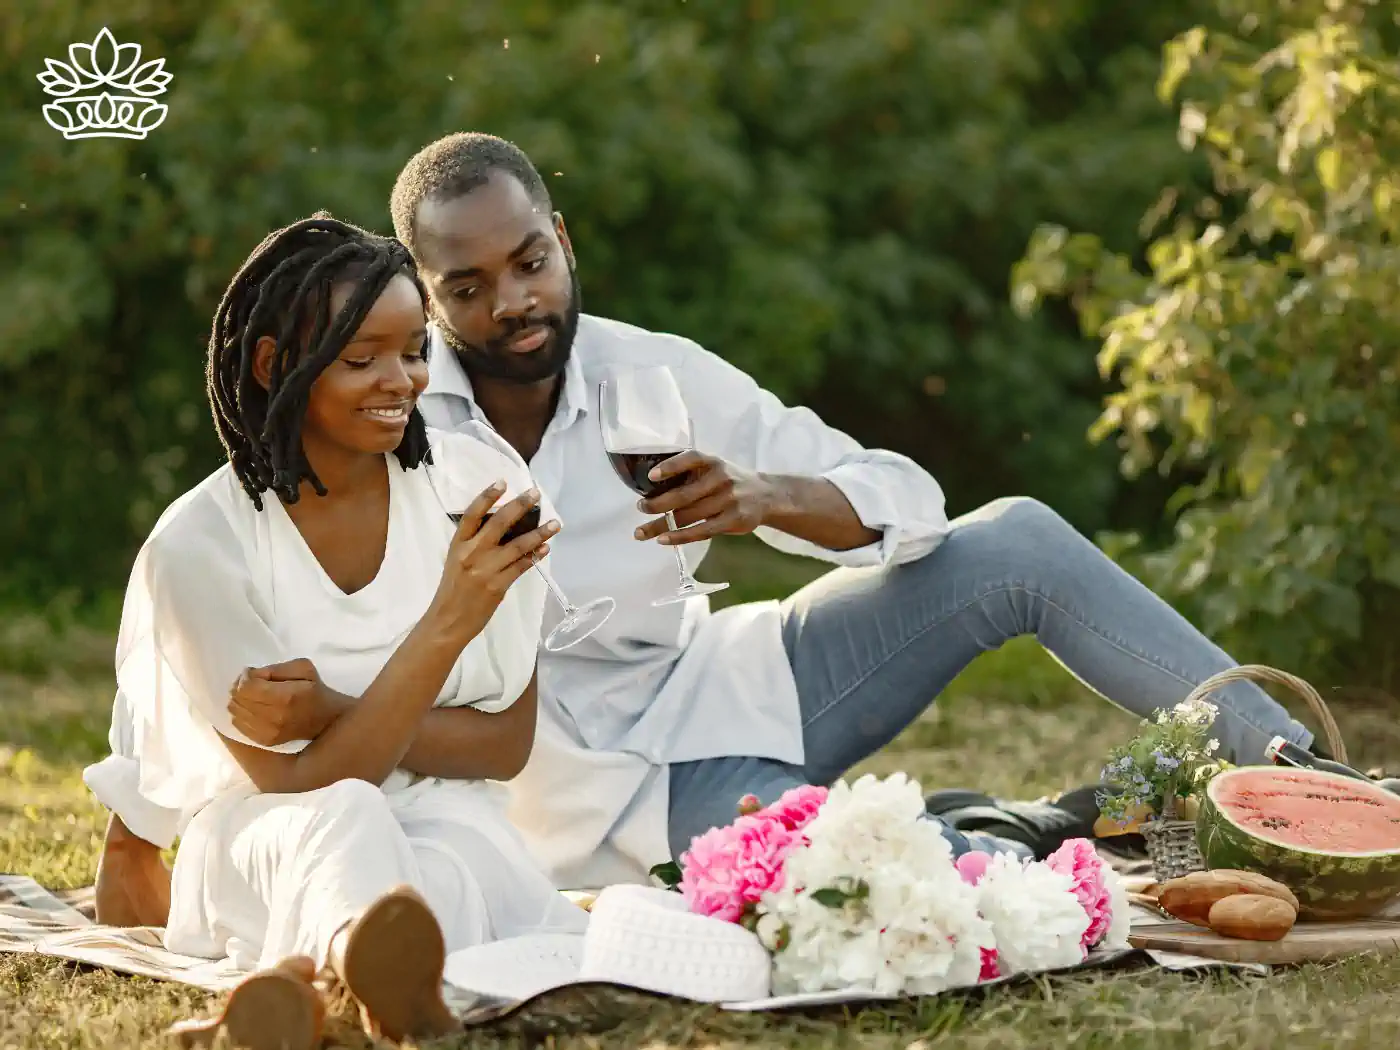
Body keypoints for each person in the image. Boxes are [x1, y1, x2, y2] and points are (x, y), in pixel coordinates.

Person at [89, 134, 1321, 907]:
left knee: (1014, 539)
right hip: (588, 791)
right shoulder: (389, 420)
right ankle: (1048, 826)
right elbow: (261, 586)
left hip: (723, 678)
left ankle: (1303, 779)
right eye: (465, 288)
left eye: (531, 261)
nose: (514, 302)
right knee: (906, 875)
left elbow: (905, 498)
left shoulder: (652, 373)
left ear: (560, 241)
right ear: (424, 296)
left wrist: (768, 497)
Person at [85, 214, 587, 1049]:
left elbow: (504, 745)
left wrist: (331, 707)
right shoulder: (201, 547)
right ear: (275, 365)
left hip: (431, 818)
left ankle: (299, 993)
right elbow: (306, 781)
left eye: (416, 350)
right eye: (360, 360)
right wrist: (444, 627)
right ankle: (373, 978)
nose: (401, 381)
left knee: (462, 847)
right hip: (265, 837)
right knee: (350, 814)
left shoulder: (478, 489)